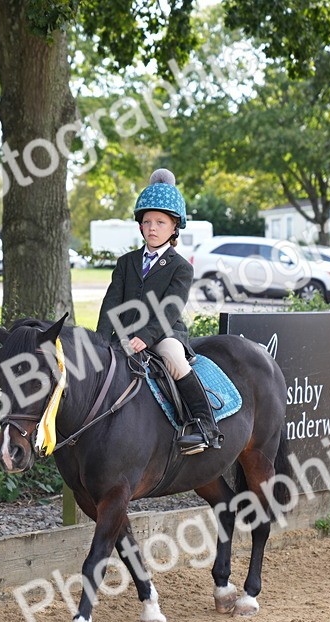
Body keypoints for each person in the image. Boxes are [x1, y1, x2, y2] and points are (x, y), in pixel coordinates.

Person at [96, 169, 222, 455]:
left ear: (174, 227)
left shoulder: (181, 267)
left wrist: (145, 335)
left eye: (160, 222)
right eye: (147, 221)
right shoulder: (126, 262)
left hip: (164, 333)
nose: (152, 227)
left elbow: (170, 309)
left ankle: (203, 424)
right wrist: (100, 340)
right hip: (126, 335)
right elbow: (111, 303)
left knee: (175, 359)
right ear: (140, 225)